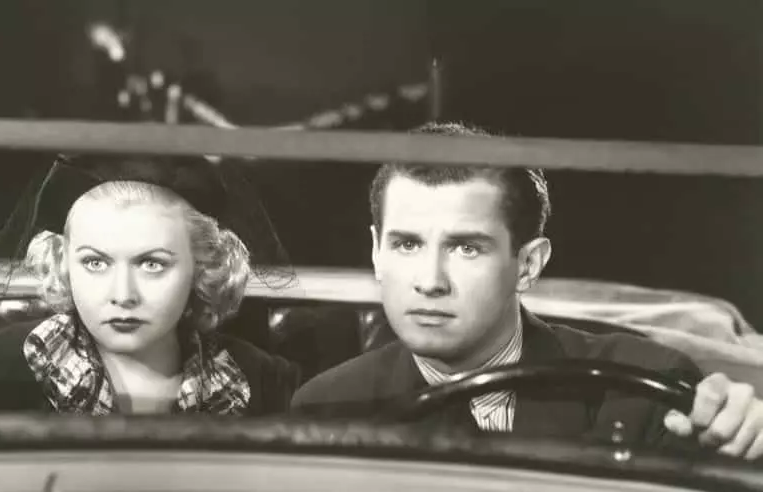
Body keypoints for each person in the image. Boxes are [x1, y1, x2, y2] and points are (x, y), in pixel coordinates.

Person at [292, 121, 763, 460]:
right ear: (376, 252)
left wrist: (743, 438)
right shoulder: (327, 408)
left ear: (529, 264)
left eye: (466, 248)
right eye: (407, 244)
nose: (430, 280)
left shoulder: (642, 388)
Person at [0, 153, 300, 416]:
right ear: (63, 263)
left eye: (152, 264)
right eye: (95, 262)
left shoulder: (265, 386)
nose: (122, 294)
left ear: (202, 269)